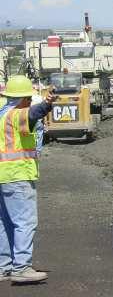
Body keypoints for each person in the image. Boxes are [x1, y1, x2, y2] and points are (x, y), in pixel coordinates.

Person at [0, 75, 56, 283]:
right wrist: (47, 103)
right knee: (25, 221)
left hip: (3, 177)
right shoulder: (16, 114)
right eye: (28, 98)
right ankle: (21, 267)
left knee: (4, 223)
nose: (30, 102)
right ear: (22, 98)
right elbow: (34, 113)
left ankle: (4, 267)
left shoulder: (1, 114)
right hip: (17, 176)